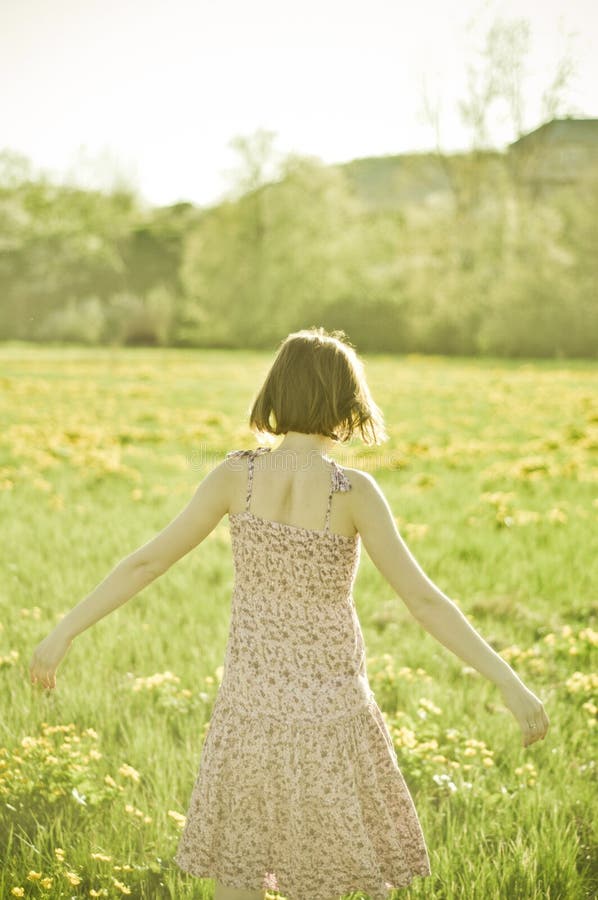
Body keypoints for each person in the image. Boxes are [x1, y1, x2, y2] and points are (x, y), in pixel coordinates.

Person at [30, 326, 549, 900]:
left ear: (276, 390)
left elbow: (146, 563)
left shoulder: (234, 476)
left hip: (251, 712)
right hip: (332, 716)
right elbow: (424, 600)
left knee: (242, 880)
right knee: (341, 879)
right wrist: (508, 679)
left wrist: (63, 632)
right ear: (346, 404)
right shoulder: (354, 492)